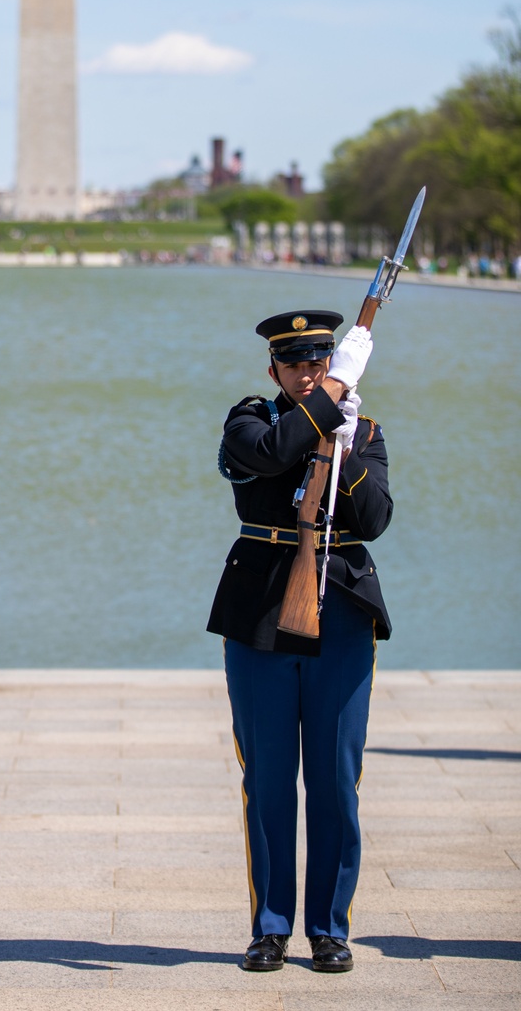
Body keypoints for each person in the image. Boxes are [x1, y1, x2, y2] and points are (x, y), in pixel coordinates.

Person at [206, 310, 392, 975]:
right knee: (270, 780)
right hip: (260, 612)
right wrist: (328, 401)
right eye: (296, 365)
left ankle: (329, 927)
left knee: (337, 781)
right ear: (274, 372)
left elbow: (374, 519)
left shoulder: (362, 430)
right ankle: (271, 926)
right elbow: (271, 454)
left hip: (340, 612)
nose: (309, 373)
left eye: (321, 362)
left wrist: (342, 450)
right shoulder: (249, 419)